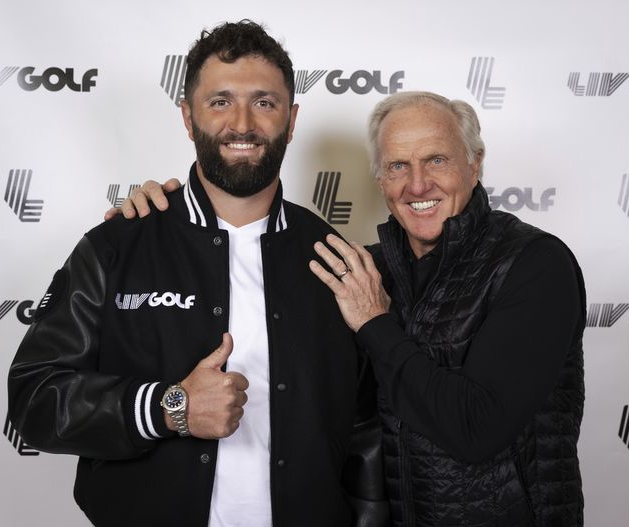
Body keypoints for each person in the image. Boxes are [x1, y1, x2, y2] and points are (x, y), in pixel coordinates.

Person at [122, 91, 586, 526]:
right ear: (379, 178)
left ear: (475, 163)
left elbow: (475, 429)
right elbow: (251, 274)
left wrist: (374, 322)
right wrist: (160, 220)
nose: (417, 183)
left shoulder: (533, 264)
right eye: (397, 166)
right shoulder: (363, 267)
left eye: (436, 160)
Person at [7, 20, 387, 527]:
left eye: (265, 102)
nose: (243, 123)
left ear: (292, 120)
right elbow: (34, 400)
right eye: (221, 101)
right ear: (188, 117)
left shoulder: (335, 258)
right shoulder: (118, 245)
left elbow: (365, 426)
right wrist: (169, 406)